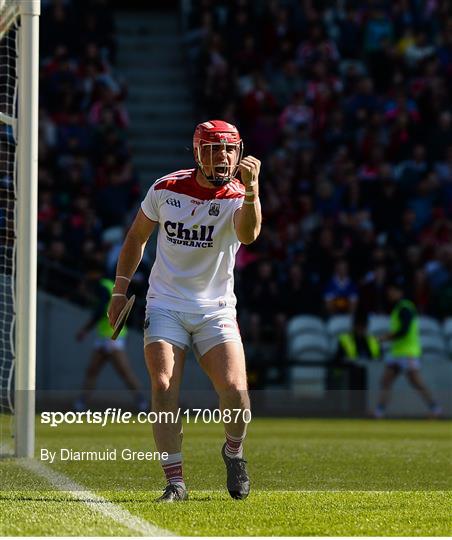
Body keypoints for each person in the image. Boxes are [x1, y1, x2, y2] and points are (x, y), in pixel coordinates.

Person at [107, 120, 262, 502]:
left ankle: (234, 451)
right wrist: (119, 290)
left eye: (229, 149)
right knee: (162, 387)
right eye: (213, 148)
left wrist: (253, 191)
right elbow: (137, 237)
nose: (223, 157)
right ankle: (175, 482)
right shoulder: (165, 188)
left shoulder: (240, 194)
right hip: (166, 305)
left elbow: (249, 235)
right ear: (197, 152)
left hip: (216, 309)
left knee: (236, 392)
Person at [74, 269, 147, 412]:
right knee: (92, 370)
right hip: (105, 336)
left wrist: (85, 329)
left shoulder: (103, 286)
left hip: (112, 336)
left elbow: (100, 310)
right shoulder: (108, 286)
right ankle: (82, 402)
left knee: (124, 372)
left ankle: (142, 401)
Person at [374, 281, 442, 418]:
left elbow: (404, 330)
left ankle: (435, 407)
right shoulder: (399, 308)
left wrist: (385, 337)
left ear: (399, 292)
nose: (389, 294)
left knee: (416, 382)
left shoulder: (405, 308)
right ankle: (379, 411)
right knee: (385, 380)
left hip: (408, 352)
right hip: (397, 352)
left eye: (392, 291)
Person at [333, 312, 380, 415]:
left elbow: (379, 359)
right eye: (359, 326)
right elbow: (337, 359)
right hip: (350, 373)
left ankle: (367, 409)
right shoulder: (345, 339)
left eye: (363, 327)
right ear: (354, 327)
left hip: (369, 375)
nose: (361, 329)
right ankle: (352, 410)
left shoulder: (372, 341)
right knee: (354, 376)